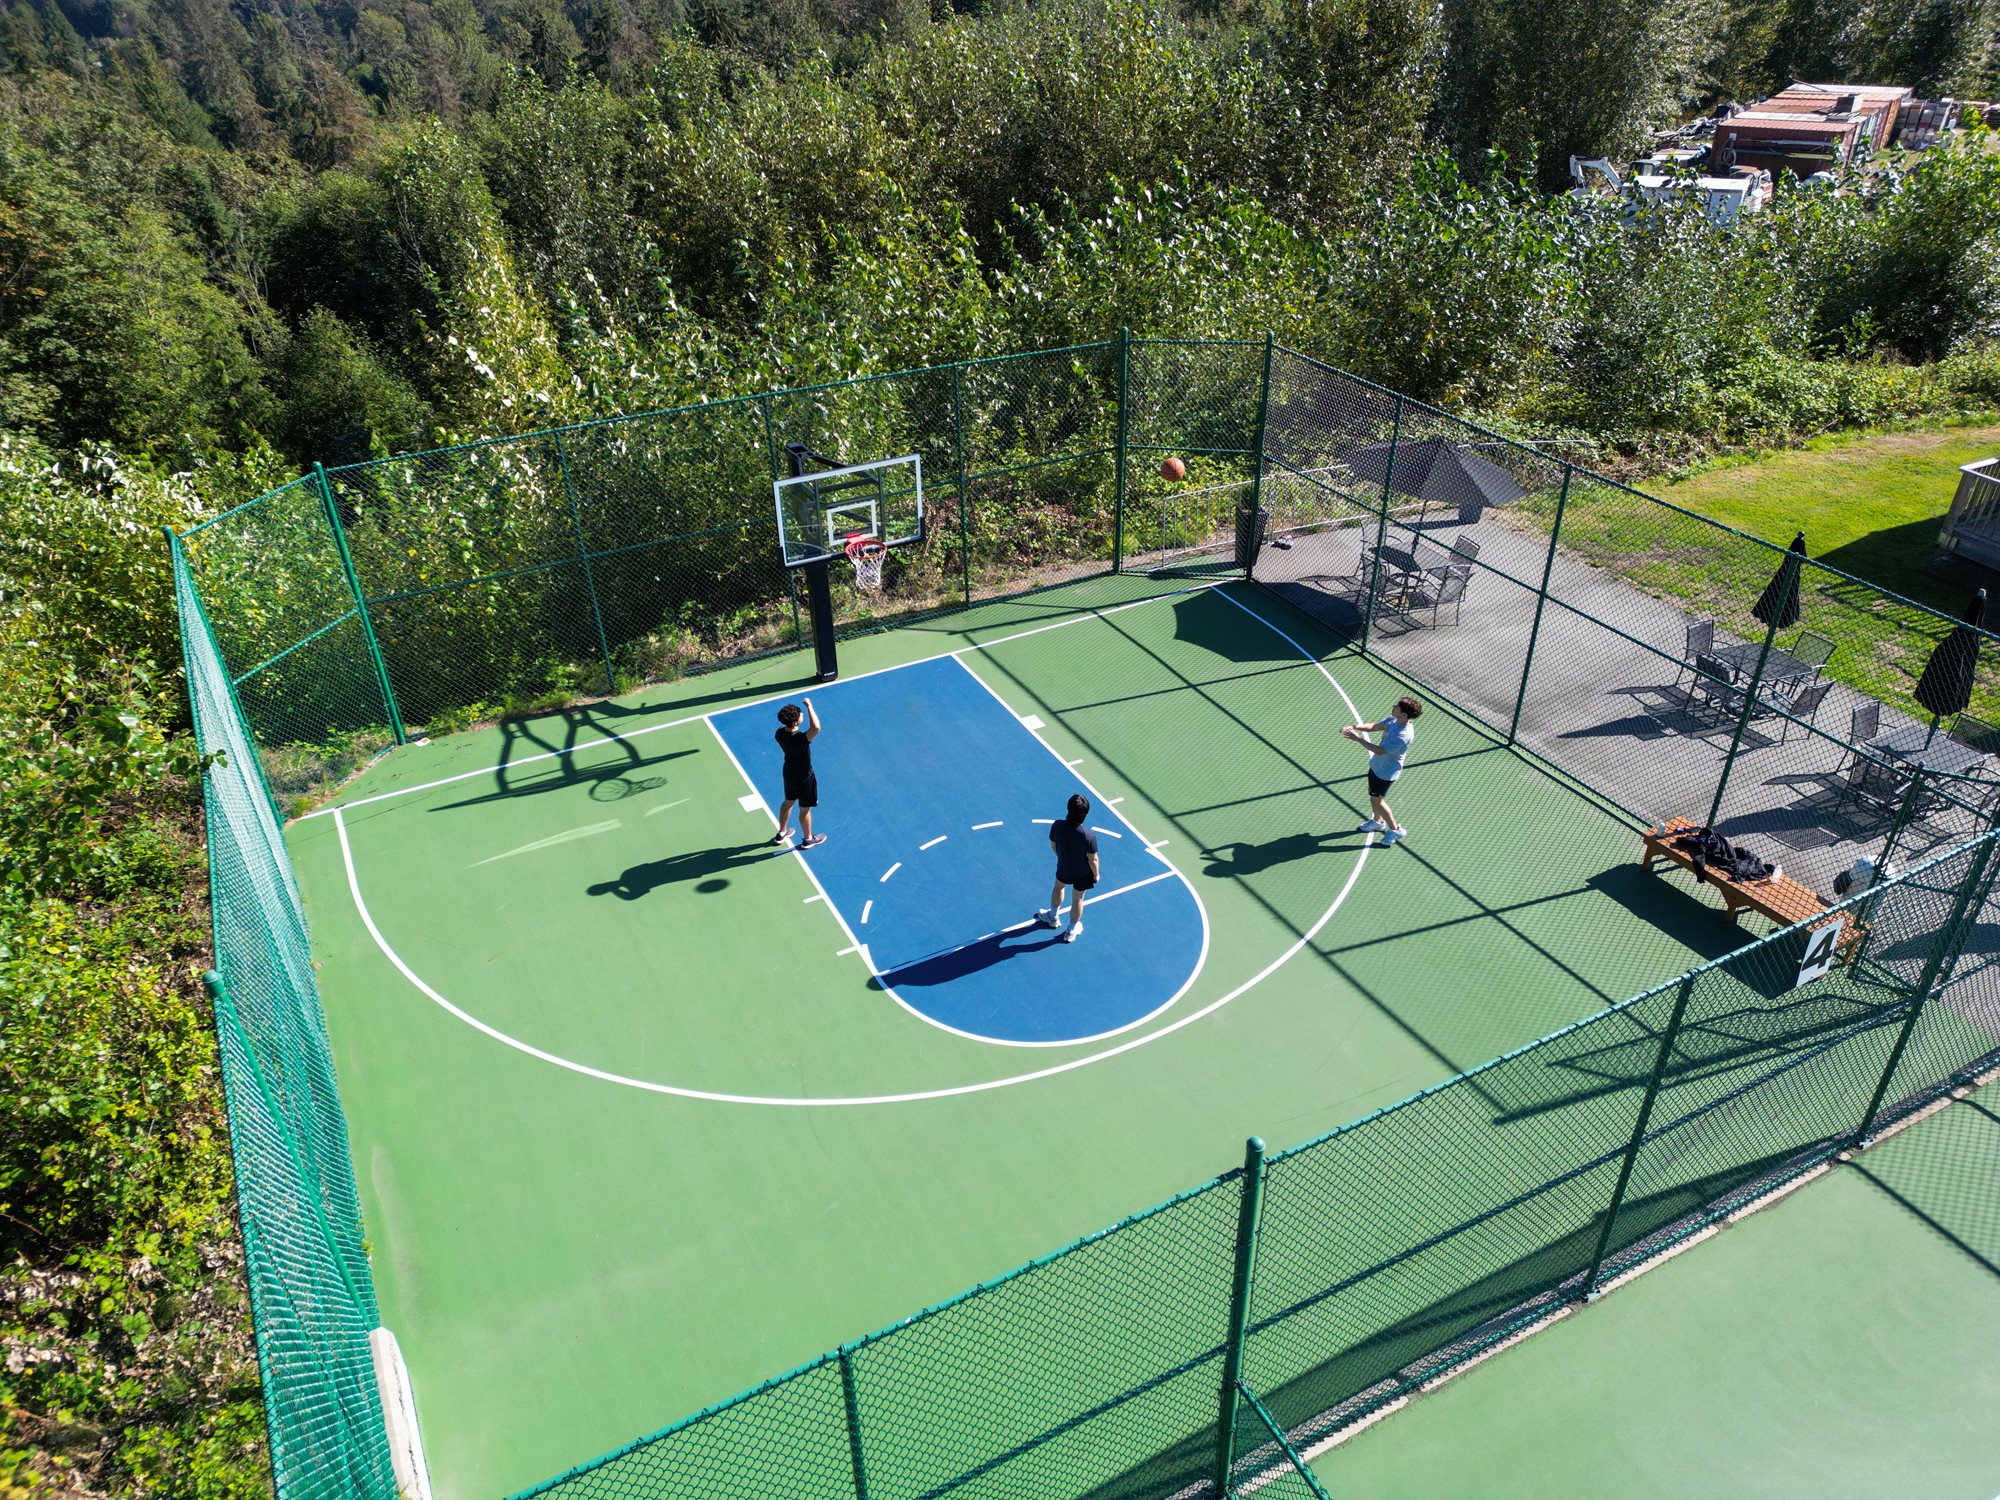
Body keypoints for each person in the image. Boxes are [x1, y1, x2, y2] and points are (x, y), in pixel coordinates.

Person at [1341, 696, 1422, 845]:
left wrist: (1357, 739)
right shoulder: (1393, 720)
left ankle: (1396, 830)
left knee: (1377, 801)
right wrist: (1354, 727)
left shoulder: (1403, 735)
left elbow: (1380, 750)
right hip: (1377, 766)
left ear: (1404, 714)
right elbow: (1374, 727)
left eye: (1397, 706)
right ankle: (1377, 822)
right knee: (1373, 794)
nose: (1393, 707)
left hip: (1386, 772)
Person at [1035, 793, 1099, 942]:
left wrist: (1062, 858)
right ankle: (1071, 930)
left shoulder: (1057, 825)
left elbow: (1054, 845)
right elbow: (1093, 859)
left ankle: (1053, 917)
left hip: (1064, 866)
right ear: (1085, 814)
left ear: (1068, 809)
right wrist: (1096, 874)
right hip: (1083, 873)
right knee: (1078, 899)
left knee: (1058, 887)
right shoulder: (1089, 836)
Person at [772, 698, 824, 849]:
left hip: (789, 773)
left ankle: (782, 833)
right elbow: (816, 727)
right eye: (800, 714)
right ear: (795, 722)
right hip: (804, 777)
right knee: (804, 808)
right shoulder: (801, 738)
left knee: (788, 801)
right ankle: (808, 839)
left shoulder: (779, 733)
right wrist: (809, 706)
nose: (802, 715)